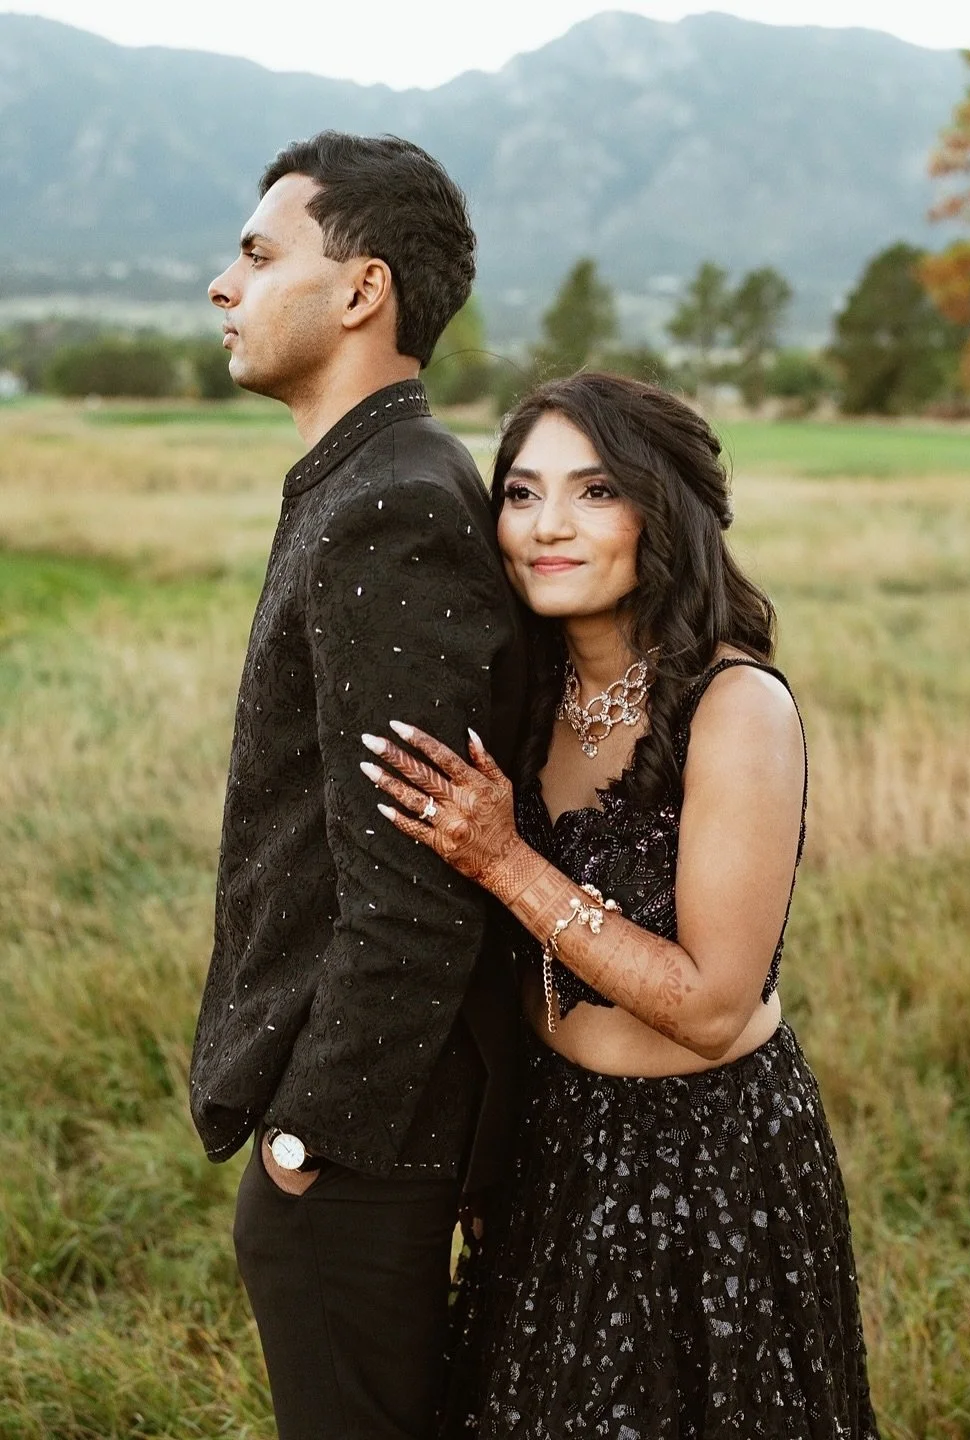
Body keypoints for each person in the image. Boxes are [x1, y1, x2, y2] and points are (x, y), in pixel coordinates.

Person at [360, 372, 879, 1438]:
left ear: (664, 512)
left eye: (595, 492)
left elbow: (708, 1006)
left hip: (709, 1164)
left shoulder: (736, 711)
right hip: (550, 1139)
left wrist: (507, 861)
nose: (547, 526)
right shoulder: (529, 694)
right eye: (520, 492)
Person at [187, 131, 525, 1440]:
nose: (224, 284)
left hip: (364, 1144)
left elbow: (417, 888)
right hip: (367, 1131)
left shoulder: (392, 505)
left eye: (259, 253)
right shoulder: (367, 481)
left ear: (360, 291)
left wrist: (309, 1142)